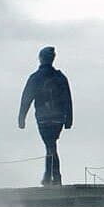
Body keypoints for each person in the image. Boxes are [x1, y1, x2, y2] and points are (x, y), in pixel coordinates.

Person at [18, 46, 73, 186]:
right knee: (51, 145)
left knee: (50, 145)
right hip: (58, 118)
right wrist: (69, 120)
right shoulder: (60, 77)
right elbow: (67, 99)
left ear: (41, 59)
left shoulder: (35, 78)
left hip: (43, 119)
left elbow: (26, 99)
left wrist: (21, 118)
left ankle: (53, 177)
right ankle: (50, 176)